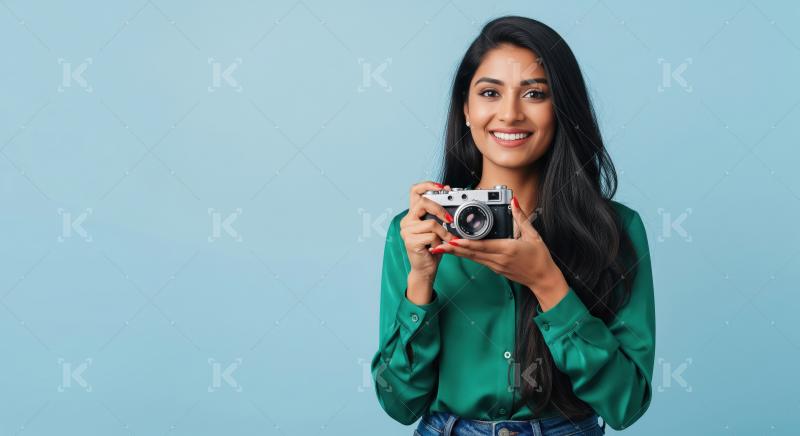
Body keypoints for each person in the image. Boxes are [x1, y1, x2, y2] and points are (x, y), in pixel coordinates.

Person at [371, 15, 655, 436]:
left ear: (562, 110)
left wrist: (547, 284)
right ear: (466, 109)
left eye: (535, 93)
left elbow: (626, 403)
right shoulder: (417, 230)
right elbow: (399, 402)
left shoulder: (616, 230)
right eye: (490, 92)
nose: (509, 114)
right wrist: (421, 282)